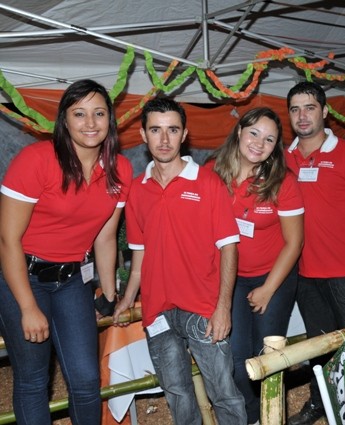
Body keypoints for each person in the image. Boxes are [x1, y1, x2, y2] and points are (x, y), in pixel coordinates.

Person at [0, 79, 132, 424]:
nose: (90, 123)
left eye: (99, 113)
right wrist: (27, 307)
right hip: (23, 276)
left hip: (73, 279)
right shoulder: (36, 160)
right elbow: (7, 240)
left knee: (87, 380)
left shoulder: (120, 169)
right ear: (64, 119)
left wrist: (109, 293)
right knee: (33, 380)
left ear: (110, 119)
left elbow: (105, 236)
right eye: (79, 113)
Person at [112, 98, 246, 425]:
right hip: (157, 309)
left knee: (223, 392)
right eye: (155, 130)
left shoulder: (208, 182)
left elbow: (229, 247)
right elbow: (139, 253)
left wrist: (223, 307)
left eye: (172, 130)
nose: (164, 139)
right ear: (143, 134)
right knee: (177, 394)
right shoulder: (138, 190)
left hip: (203, 307)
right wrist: (128, 298)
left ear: (184, 134)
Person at [285, 81, 345, 425]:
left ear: (324, 112)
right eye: (295, 109)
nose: (302, 115)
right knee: (319, 346)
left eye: (309, 108)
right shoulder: (283, 157)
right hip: (304, 273)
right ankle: (320, 402)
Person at [206, 107, 304, 424]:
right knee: (235, 359)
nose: (259, 144)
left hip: (273, 277)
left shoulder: (283, 181)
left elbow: (294, 243)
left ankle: (271, 414)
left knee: (266, 355)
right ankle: (253, 416)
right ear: (239, 132)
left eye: (269, 139)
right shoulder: (211, 172)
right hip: (231, 279)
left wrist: (268, 289)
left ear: (276, 146)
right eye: (254, 133)